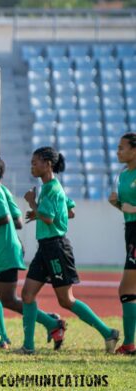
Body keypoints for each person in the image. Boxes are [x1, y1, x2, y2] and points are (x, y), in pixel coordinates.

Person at [0, 151, 66, 350]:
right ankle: (1, 339)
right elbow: (17, 221)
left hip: (4, 252)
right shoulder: (1, 189)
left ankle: (51, 323)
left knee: (6, 299)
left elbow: (5, 219)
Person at [20, 146, 119, 354]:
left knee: (66, 300)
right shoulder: (54, 188)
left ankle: (108, 332)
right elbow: (70, 212)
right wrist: (41, 212)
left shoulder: (52, 189)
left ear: (47, 164)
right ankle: (28, 346)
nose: (32, 166)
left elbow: (49, 218)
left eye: (35, 162)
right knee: (27, 294)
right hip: (45, 247)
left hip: (56, 248)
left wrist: (32, 204)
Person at [108, 133, 136, 355]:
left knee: (127, 288)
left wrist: (131, 209)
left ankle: (129, 344)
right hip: (131, 231)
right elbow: (126, 209)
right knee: (129, 289)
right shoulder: (123, 175)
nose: (118, 152)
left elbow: (132, 209)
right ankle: (129, 343)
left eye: (121, 148)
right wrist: (117, 204)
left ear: (134, 151)